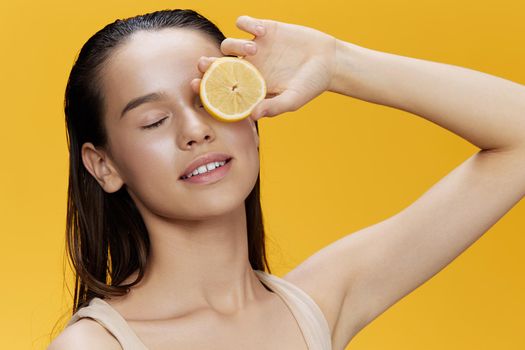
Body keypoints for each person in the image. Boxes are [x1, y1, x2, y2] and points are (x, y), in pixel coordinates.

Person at [48, 8, 525, 350]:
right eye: (154, 121)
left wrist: (338, 63)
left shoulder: (317, 304)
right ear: (103, 166)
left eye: (211, 99)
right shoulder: (95, 344)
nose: (196, 132)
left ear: (251, 115)